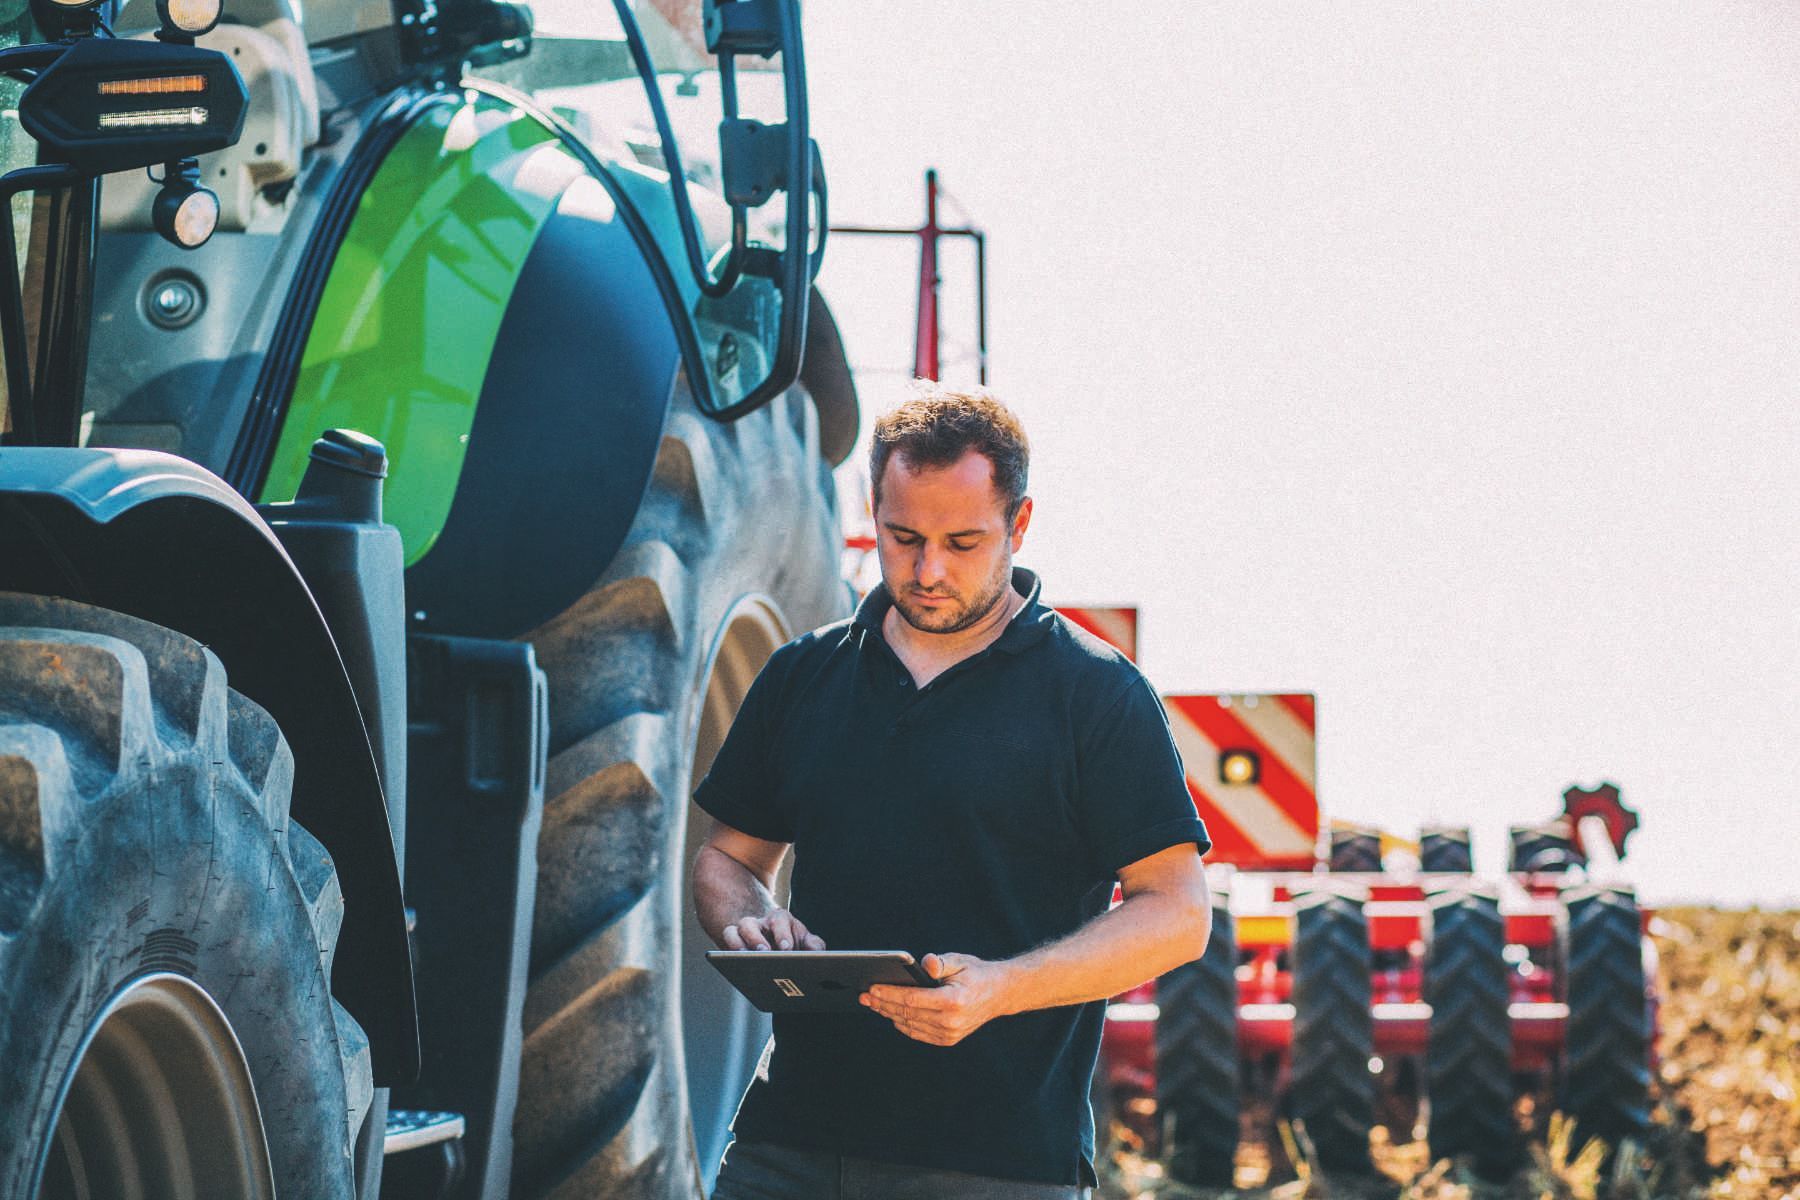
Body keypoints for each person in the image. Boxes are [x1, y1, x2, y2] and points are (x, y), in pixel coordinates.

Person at [692, 384, 1213, 1199]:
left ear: (1019, 524)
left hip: (999, 1164)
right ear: (873, 510)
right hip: (785, 1149)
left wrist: (1002, 989)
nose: (927, 571)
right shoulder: (802, 675)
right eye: (903, 538)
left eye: (963, 542)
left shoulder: (1097, 694)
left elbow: (1178, 913)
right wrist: (749, 919)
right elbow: (728, 859)